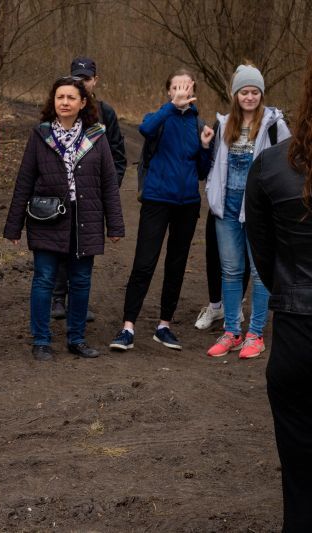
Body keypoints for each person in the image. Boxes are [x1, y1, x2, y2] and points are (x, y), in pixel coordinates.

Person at [4, 76, 124, 361]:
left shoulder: (96, 137)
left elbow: (109, 183)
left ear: (83, 103)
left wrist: (115, 225)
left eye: (71, 97)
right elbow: (24, 181)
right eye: (60, 97)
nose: (65, 102)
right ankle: (41, 340)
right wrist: (14, 225)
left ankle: (77, 339)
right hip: (47, 219)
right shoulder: (40, 135)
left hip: (86, 219)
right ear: (53, 102)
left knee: (80, 281)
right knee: (44, 279)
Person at [245, 52, 312, 532]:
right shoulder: (270, 166)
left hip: (296, 335)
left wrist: (290, 295)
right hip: (295, 327)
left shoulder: (269, 166)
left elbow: (266, 260)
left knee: (301, 481)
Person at [109, 68, 214, 352]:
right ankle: (127, 327)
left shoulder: (199, 124)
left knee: (176, 266)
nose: (181, 91)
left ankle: (164, 326)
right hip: (156, 200)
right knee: (144, 263)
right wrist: (171, 108)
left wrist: (206, 147)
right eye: (176, 87)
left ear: (194, 91)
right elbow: (145, 130)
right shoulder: (157, 117)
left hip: (187, 205)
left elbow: (202, 171)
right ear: (169, 91)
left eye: (186, 86)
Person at [205, 65, 291, 358]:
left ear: (261, 94)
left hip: (259, 208)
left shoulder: (274, 124)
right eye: (244, 92)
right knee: (231, 271)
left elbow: (287, 163)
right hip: (227, 207)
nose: (250, 97)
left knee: (259, 270)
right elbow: (213, 164)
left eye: (255, 92)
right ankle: (231, 331)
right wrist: (212, 193)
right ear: (235, 95)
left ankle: (255, 334)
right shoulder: (223, 124)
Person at [51, 56, 127, 321]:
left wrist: (108, 190)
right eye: (77, 78)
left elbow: (118, 156)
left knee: (84, 251)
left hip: (92, 197)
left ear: (95, 81)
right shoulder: (61, 109)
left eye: (86, 78)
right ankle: (57, 298)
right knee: (60, 247)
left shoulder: (106, 113)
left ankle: (78, 302)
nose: (82, 83)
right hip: (62, 195)